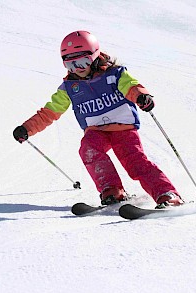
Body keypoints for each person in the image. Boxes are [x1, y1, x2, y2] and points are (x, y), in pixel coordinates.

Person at [13, 30, 184, 208]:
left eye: (82, 62)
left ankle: (166, 193)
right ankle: (112, 190)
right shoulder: (70, 88)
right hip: (96, 131)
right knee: (88, 149)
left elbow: (131, 87)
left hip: (122, 128)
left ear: (94, 56)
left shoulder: (114, 75)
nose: (77, 69)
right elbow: (49, 112)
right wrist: (27, 128)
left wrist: (141, 97)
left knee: (135, 162)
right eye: (71, 64)